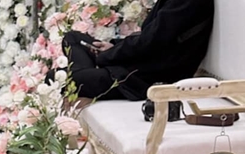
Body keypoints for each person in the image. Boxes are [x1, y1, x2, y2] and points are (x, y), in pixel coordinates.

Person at [63, 0, 215, 101]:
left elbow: (151, 42)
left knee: (58, 77)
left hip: (141, 77)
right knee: (72, 38)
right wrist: (113, 47)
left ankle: (86, 75)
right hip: (139, 62)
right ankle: (88, 75)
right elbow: (148, 36)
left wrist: (109, 55)